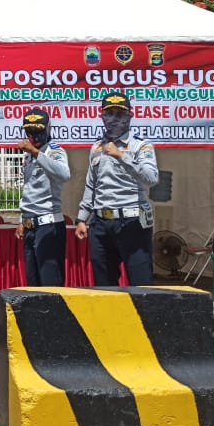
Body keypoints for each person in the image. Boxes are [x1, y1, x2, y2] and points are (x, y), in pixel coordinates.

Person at [75, 92, 158, 286]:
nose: (114, 119)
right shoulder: (96, 148)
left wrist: (122, 156)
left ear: (129, 115)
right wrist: (81, 218)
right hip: (101, 223)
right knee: (104, 286)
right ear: (102, 116)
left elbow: (151, 178)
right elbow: (91, 184)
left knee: (141, 284)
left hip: (132, 221)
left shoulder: (140, 146)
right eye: (109, 113)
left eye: (119, 114)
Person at [16, 106, 69, 287]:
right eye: (29, 130)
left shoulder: (54, 151)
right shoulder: (29, 156)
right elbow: (28, 188)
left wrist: (36, 153)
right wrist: (22, 219)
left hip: (48, 224)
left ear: (47, 129)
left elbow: (64, 174)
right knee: (33, 283)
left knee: (50, 283)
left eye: (37, 130)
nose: (32, 134)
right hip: (30, 225)